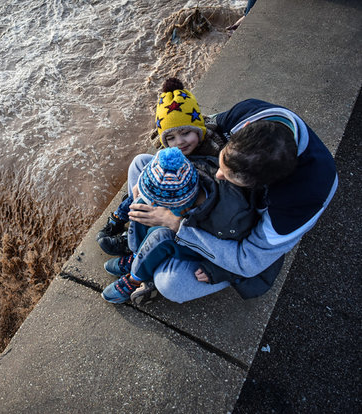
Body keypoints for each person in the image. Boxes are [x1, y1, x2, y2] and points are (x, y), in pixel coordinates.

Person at [123, 98, 337, 304]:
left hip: (237, 234)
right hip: (214, 199)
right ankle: (145, 250)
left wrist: (177, 225)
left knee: (170, 283)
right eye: (223, 161)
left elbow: (248, 260)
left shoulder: (297, 202)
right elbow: (199, 131)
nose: (219, 175)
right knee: (141, 164)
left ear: (259, 186)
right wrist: (153, 175)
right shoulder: (247, 113)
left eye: (229, 175)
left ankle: (151, 257)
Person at [101, 147, 258, 304]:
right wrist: (143, 191)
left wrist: (216, 272)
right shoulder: (193, 176)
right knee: (142, 203)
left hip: (205, 244)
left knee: (160, 237)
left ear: (175, 207)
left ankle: (135, 278)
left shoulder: (229, 220)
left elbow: (241, 258)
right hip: (188, 214)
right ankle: (136, 256)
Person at [97, 78, 225, 256]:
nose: (179, 142)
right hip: (171, 190)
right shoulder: (174, 148)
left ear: (199, 128)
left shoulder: (213, 151)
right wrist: (142, 184)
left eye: (186, 133)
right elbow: (158, 160)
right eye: (170, 138)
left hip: (186, 205)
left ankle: (140, 238)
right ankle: (134, 216)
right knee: (140, 162)